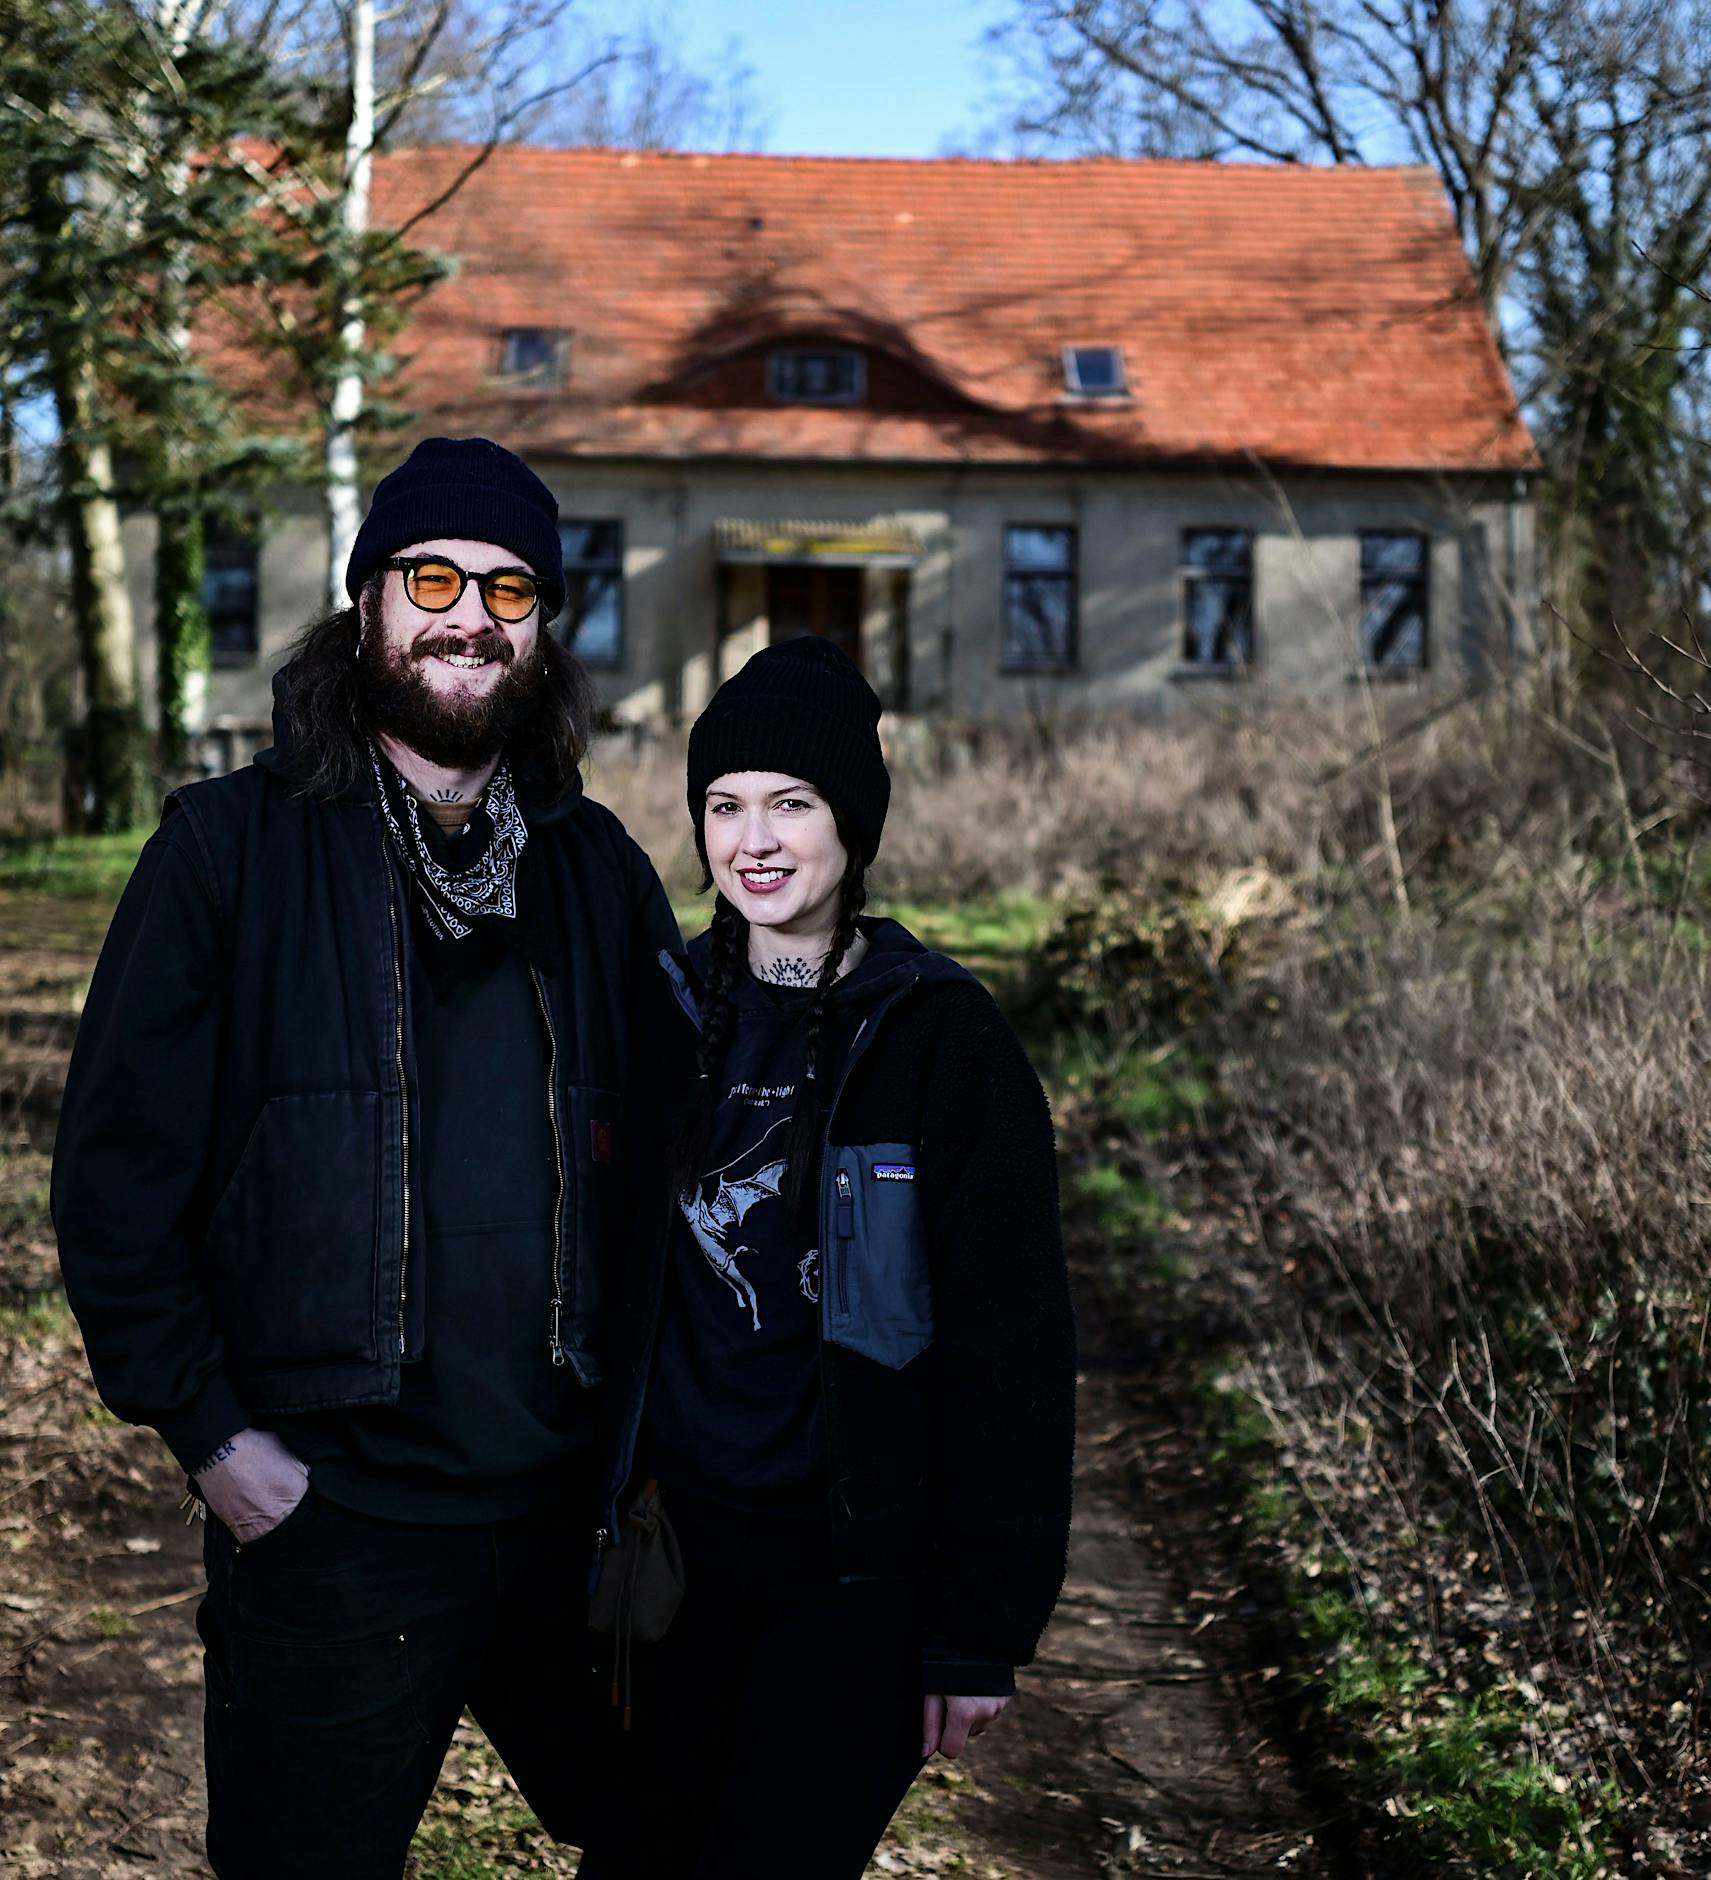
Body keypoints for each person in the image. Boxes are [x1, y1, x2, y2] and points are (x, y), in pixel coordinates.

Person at [51, 436, 685, 1879]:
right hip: (335, 1523)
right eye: (434, 579)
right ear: (366, 603)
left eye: (510, 589)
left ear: (544, 625)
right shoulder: (227, 853)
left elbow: (687, 1166)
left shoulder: (597, 869)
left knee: (682, 1831)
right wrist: (214, 1439)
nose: (472, 617)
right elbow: (114, 1178)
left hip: (568, 1515)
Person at [593, 636, 1078, 1878]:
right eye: (723, 804)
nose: (753, 839)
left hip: (853, 1582)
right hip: (671, 1563)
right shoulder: (654, 1014)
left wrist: (980, 1626)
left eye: (791, 803)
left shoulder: (939, 1040)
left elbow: (1012, 1352)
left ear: (851, 825)